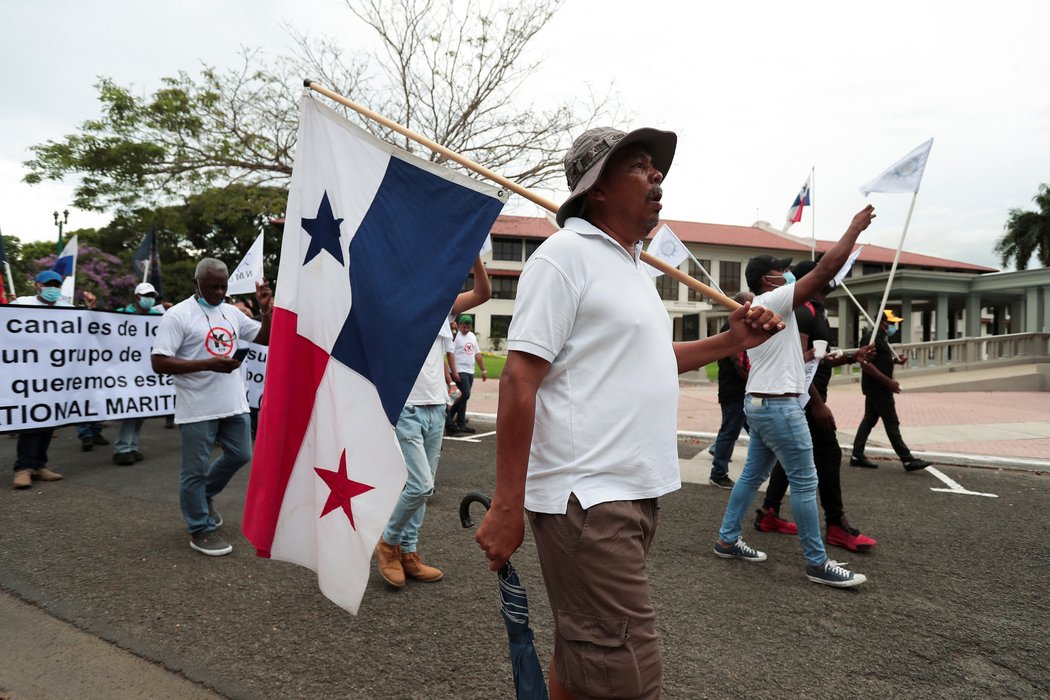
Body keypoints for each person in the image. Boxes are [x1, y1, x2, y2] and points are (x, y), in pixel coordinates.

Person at [474, 126, 782, 699]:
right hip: (587, 497)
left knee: (584, 659)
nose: (657, 176)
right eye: (639, 165)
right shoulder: (564, 258)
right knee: (629, 679)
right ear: (597, 189)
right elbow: (519, 378)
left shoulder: (633, 268)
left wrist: (730, 339)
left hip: (629, 492)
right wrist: (507, 504)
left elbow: (649, 359)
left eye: (656, 166)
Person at [712, 204, 876, 589]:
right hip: (779, 405)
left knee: (752, 476)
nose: (787, 273)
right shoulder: (773, 302)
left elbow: (820, 283)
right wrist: (852, 228)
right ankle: (817, 563)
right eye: (781, 270)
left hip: (760, 403)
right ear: (769, 280)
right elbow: (823, 271)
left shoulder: (762, 307)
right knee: (805, 481)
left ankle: (727, 538)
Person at [375, 258, 490, 588]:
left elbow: (483, 292)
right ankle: (389, 542)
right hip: (407, 408)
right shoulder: (396, 304)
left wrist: (474, 256)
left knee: (423, 489)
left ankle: (408, 553)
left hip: (435, 407)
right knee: (420, 485)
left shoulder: (444, 306)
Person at [151, 259, 272, 556]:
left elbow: (264, 338)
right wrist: (208, 364)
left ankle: (203, 496)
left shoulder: (231, 312)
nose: (219, 292)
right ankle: (199, 528)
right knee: (194, 469)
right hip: (197, 406)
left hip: (233, 402)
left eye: (223, 286)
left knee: (241, 453)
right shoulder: (177, 316)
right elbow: (159, 362)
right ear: (197, 284)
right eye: (212, 287)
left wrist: (267, 310)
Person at [756, 259, 878, 552]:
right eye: (827, 273)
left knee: (791, 458)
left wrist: (852, 356)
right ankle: (836, 525)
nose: (833, 277)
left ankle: (769, 513)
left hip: (803, 398)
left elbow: (817, 356)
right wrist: (818, 404)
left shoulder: (815, 311)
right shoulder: (801, 312)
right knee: (828, 455)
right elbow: (797, 361)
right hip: (804, 400)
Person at [850, 310, 933, 471]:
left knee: (869, 420)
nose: (893, 326)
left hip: (878, 388)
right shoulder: (871, 338)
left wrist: (895, 361)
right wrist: (889, 382)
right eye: (891, 322)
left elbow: (880, 360)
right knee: (891, 422)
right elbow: (866, 364)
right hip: (878, 388)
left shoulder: (881, 337)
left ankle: (856, 455)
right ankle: (907, 459)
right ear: (882, 322)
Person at [10, 271, 71, 489]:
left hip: (56, 376)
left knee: (48, 421)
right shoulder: (22, 303)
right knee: (31, 421)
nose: (53, 288)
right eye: (48, 284)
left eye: (57, 284)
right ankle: (23, 468)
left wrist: (90, 309)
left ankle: (39, 465)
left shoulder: (67, 308)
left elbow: (84, 332)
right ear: (37, 285)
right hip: (29, 375)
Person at [112, 282, 165, 465]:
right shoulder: (120, 314)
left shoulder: (157, 316)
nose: (149, 299)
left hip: (146, 371)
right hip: (127, 370)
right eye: (146, 295)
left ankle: (132, 446)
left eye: (152, 296)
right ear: (137, 297)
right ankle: (122, 448)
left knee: (141, 409)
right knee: (131, 409)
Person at [709, 290, 755, 489]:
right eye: (750, 304)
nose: (754, 308)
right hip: (734, 390)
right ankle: (718, 473)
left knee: (754, 430)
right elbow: (737, 361)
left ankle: (717, 451)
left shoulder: (741, 325)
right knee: (730, 431)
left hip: (741, 390)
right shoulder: (732, 326)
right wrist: (754, 381)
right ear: (740, 305)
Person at [446, 313, 487, 435]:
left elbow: (477, 354)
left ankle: (455, 421)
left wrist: (483, 370)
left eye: (469, 327)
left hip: (470, 370)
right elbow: (450, 354)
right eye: (464, 327)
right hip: (459, 370)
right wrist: (454, 371)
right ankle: (455, 421)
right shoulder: (454, 336)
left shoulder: (472, 336)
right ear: (458, 325)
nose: (466, 329)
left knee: (464, 397)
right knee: (464, 395)